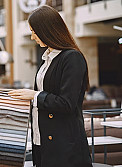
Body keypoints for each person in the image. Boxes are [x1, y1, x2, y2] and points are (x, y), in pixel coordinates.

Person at [8, 5, 92, 167]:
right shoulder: (47, 59)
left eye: (34, 32)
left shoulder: (72, 58)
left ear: (47, 30)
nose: (32, 37)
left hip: (63, 143)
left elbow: (67, 103)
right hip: (41, 139)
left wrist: (34, 95)